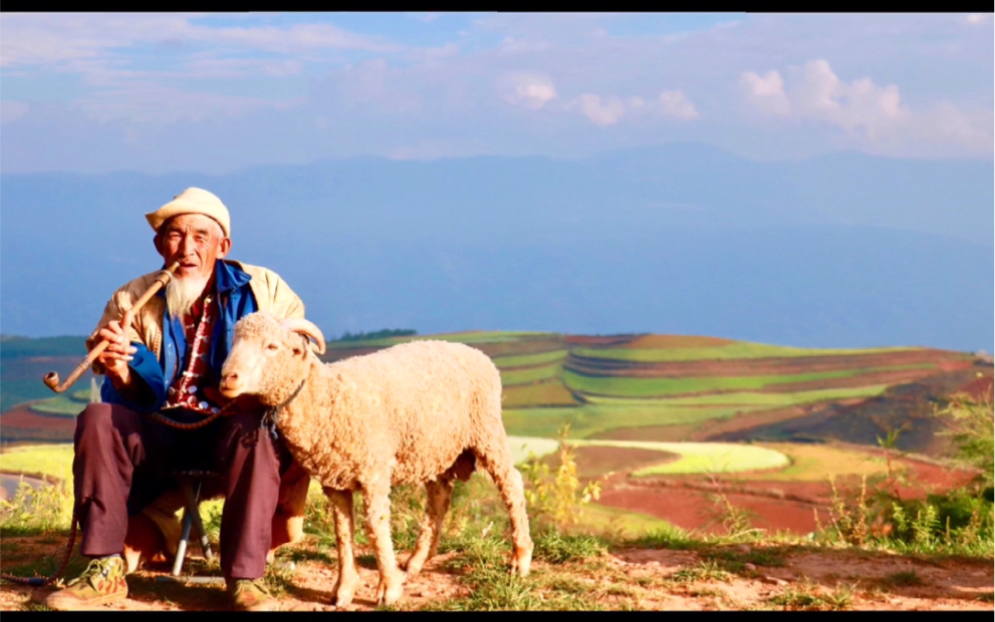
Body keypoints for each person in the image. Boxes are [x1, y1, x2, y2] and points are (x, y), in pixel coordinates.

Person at [43, 188, 312, 612]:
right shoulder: (131, 298)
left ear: (223, 246)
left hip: (228, 425)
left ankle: (245, 578)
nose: (186, 249)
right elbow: (134, 389)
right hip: (158, 429)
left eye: (200, 237)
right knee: (97, 417)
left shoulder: (266, 290)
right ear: (158, 245)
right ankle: (102, 570)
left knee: (256, 434)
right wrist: (121, 369)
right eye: (174, 236)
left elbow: (295, 362)